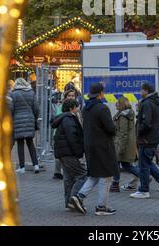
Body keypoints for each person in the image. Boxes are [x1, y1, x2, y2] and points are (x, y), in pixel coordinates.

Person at [71, 83, 117, 216]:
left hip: (90, 145)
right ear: (101, 93)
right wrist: (114, 128)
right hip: (103, 146)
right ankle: (102, 207)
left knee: (95, 175)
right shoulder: (102, 108)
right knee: (106, 176)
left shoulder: (86, 108)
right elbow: (110, 128)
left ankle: (79, 196)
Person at [130, 82, 159, 199]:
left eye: (141, 90)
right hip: (152, 138)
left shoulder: (147, 103)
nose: (140, 92)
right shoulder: (154, 102)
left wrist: (139, 133)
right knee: (147, 162)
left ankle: (144, 190)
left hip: (146, 139)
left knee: (143, 165)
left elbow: (146, 123)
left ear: (146, 91)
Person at [51, 99, 87, 211]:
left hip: (63, 152)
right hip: (69, 153)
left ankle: (68, 203)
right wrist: (78, 152)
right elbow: (72, 137)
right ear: (72, 108)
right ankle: (73, 200)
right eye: (77, 107)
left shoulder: (63, 118)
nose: (78, 109)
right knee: (82, 175)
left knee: (69, 178)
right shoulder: (69, 119)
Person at [10, 78, 40, 174]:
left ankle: (22, 167)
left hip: (17, 120)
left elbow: (11, 108)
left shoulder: (13, 94)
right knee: (30, 143)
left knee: (20, 143)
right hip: (30, 119)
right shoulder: (31, 93)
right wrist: (34, 117)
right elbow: (36, 108)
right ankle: (36, 165)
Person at [110, 97, 139, 192]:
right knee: (126, 165)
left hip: (121, 144)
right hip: (124, 143)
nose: (115, 105)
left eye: (117, 103)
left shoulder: (123, 116)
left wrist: (121, 148)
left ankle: (115, 184)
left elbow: (123, 133)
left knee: (116, 163)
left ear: (121, 104)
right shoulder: (126, 114)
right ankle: (144, 176)